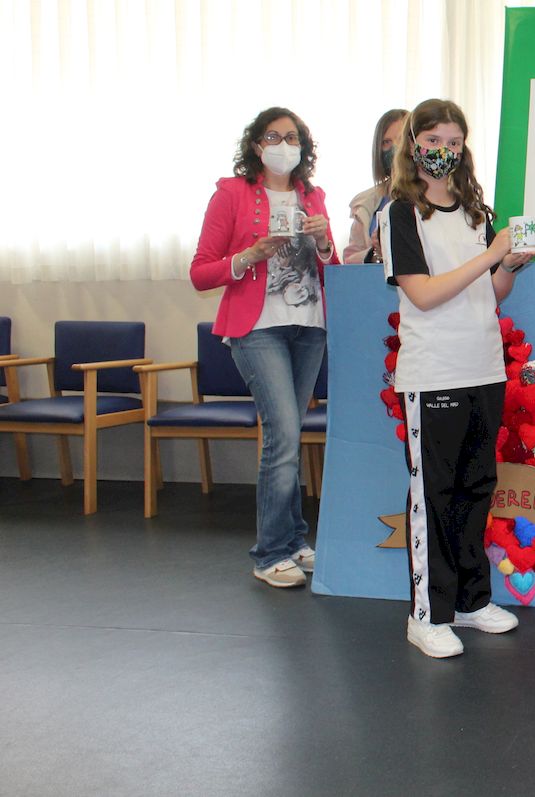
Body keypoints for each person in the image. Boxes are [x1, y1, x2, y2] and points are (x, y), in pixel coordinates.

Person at [379, 98, 535, 659]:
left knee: (476, 489)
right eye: (434, 139)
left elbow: (490, 293)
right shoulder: (399, 213)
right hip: (434, 371)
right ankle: (427, 613)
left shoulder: (476, 210)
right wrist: (488, 255)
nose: (444, 150)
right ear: (413, 144)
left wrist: (509, 265)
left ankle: (471, 600)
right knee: (434, 494)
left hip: (483, 366)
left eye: (454, 140)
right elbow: (421, 294)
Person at [190, 107, 338, 588]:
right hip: (257, 330)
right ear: (257, 145)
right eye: (273, 136)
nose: (283, 144)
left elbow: (331, 266)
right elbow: (200, 272)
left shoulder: (313, 196)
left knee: (289, 436)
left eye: (292, 136)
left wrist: (321, 244)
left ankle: (294, 539)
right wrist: (248, 256)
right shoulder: (231, 194)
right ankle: (270, 551)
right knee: (283, 434)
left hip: (309, 326)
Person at [344, 108, 408, 263]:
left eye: (401, 140)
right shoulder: (366, 202)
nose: (394, 148)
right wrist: (374, 253)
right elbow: (349, 260)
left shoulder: (435, 194)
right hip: (376, 284)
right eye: (386, 142)